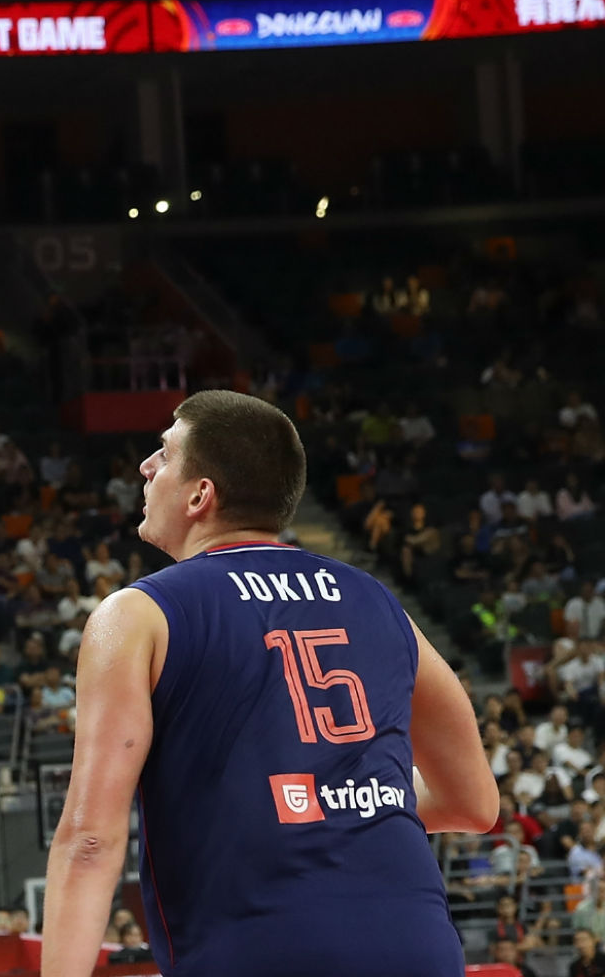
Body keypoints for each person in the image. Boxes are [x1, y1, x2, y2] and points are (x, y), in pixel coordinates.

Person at [39, 391, 499, 977]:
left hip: (261, 945)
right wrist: (341, 801)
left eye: (163, 452)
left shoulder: (137, 615)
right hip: (418, 945)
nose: (145, 467)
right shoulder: (379, 602)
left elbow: (89, 843)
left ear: (200, 495)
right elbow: (475, 804)